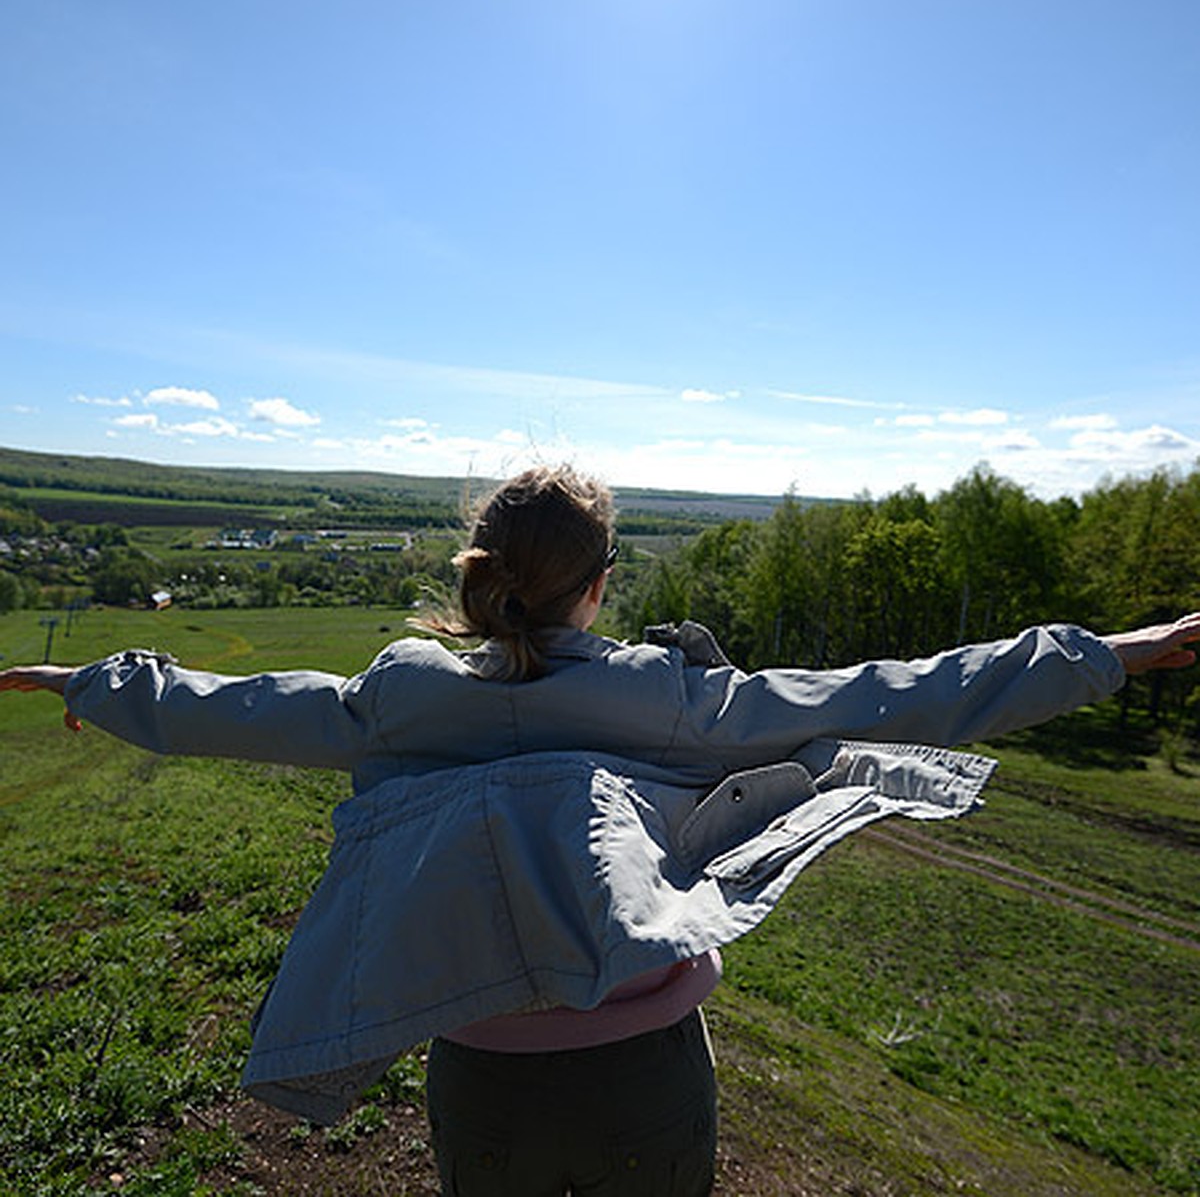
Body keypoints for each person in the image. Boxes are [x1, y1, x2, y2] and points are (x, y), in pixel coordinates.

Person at [4, 464, 1200, 1197]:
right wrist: (1110, 653)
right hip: (646, 1081)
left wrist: (87, 681)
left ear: (484, 579)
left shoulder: (399, 703)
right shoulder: (677, 702)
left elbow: (233, 708)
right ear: (599, 581)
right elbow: (901, 688)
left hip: (480, 1081)